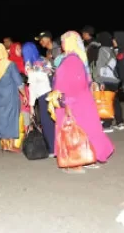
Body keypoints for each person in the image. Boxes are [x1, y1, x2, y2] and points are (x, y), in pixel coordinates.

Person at [53, 32, 115, 173]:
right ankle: (84, 158)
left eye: (64, 41)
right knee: (85, 129)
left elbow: (67, 85)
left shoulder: (71, 60)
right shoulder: (77, 58)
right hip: (81, 101)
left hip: (72, 102)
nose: (62, 44)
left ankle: (78, 160)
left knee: (75, 131)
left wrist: (66, 104)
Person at [0, 43, 25, 152]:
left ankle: (4, 143)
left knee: (1, 119)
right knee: (11, 119)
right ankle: (11, 145)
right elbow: (19, 82)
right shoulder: (10, 64)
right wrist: (24, 94)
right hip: (10, 97)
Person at [23, 42, 55, 157]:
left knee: (46, 123)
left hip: (43, 95)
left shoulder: (30, 66)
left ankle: (52, 149)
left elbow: (32, 87)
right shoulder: (44, 60)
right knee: (54, 121)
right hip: (53, 93)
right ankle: (59, 146)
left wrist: (31, 105)